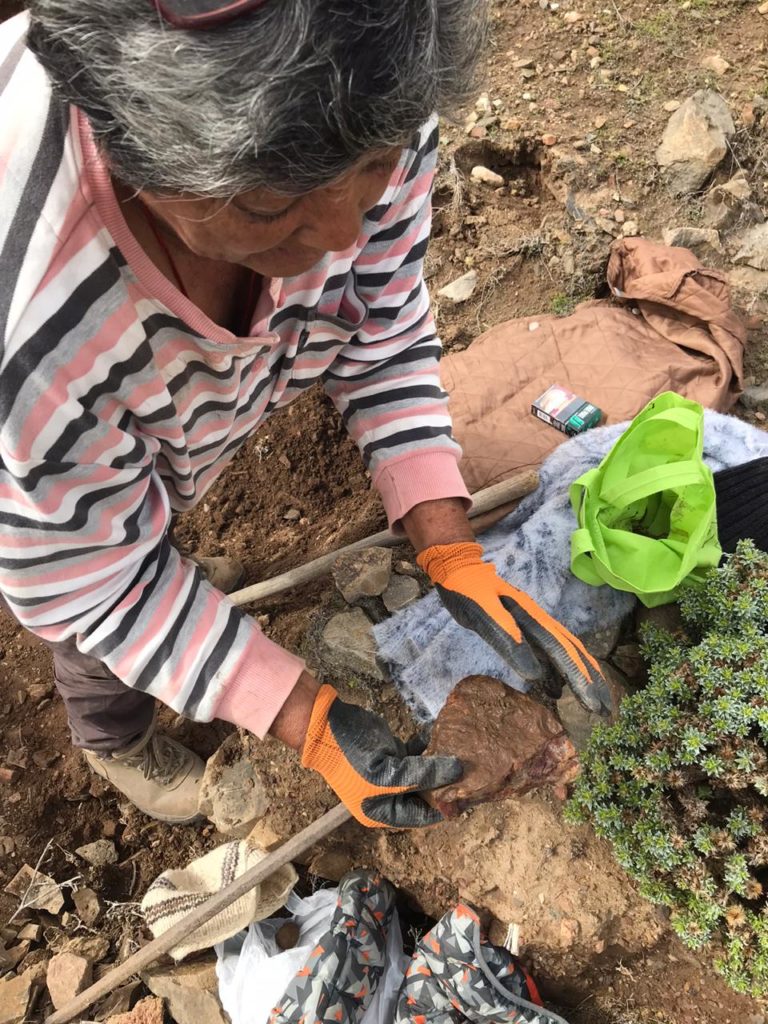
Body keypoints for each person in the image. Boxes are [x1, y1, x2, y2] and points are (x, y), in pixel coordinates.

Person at [0, 0, 609, 831]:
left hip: (150, 429)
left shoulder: (373, 89)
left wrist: (448, 541)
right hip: (53, 497)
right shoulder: (29, 334)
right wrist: (310, 724)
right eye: (266, 208)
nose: (342, 233)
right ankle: (114, 741)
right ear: (127, 149)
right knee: (99, 641)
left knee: (148, 529)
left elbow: (380, 317)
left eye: (376, 170)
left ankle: (172, 568)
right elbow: (92, 583)